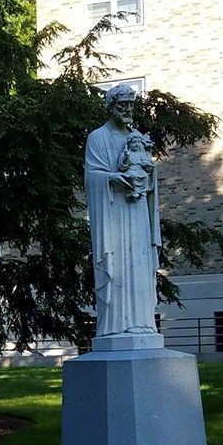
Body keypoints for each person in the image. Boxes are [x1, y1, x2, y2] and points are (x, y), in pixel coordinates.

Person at [84, 84, 161, 337]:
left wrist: (149, 173)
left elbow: (149, 173)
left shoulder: (138, 137)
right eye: (122, 105)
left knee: (139, 262)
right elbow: (91, 176)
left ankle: (143, 323)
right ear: (111, 107)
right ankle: (115, 327)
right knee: (116, 266)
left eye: (130, 105)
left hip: (137, 212)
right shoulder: (98, 137)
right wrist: (110, 179)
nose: (127, 109)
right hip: (113, 212)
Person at [118, 130, 155, 201]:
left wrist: (147, 164)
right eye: (134, 142)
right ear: (129, 144)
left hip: (140, 170)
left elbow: (146, 163)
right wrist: (126, 157)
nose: (136, 144)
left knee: (145, 176)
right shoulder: (127, 153)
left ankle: (143, 191)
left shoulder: (141, 154)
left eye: (138, 142)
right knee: (132, 176)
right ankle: (133, 191)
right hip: (131, 170)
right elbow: (122, 166)